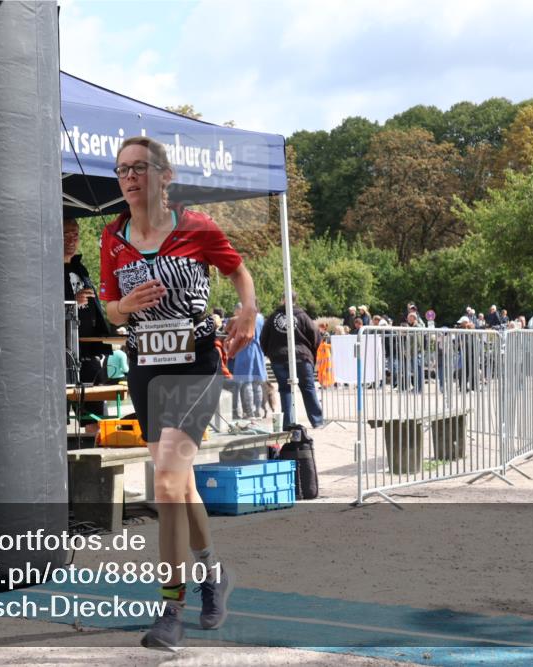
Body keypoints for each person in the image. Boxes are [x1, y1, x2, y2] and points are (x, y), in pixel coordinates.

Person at [100, 136, 255, 649]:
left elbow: (239, 272)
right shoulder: (112, 237)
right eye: (122, 170)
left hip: (196, 363)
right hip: (146, 369)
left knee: (165, 481)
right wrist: (127, 304)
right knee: (180, 485)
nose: (129, 177)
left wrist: (248, 311)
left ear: (165, 176)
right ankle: (215, 575)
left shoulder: (196, 228)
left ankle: (171, 609)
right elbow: (110, 310)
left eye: (139, 168)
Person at [64, 217, 113, 433]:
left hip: (88, 351)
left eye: (75, 234)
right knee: (59, 412)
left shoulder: (81, 268)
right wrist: (71, 301)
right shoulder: (45, 268)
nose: (72, 239)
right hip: (62, 354)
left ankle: (97, 449)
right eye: (66, 234)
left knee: (96, 413)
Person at [260, 293, 324, 429]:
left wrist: (270, 354)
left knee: (285, 390)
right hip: (301, 356)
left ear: (282, 299)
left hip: (279, 357)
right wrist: (310, 353)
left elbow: (263, 338)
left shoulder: (273, 317)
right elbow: (315, 335)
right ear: (296, 300)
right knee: (308, 388)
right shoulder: (302, 316)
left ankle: (287, 423)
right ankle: (317, 421)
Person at [230, 302, 267, 419]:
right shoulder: (261, 318)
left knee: (247, 382)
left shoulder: (244, 318)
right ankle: (258, 411)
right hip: (258, 350)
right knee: (257, 383)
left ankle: (250, 412)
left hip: (245, 349)